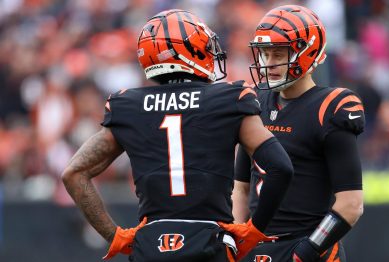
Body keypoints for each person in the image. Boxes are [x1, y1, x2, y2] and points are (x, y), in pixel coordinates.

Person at [62, 9, 293, 262]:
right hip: (210, 244)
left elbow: (74, 173)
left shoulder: (128, 105)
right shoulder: (229, 99)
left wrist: (114, 236)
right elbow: (280, 167)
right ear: (187, 51)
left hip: (150, 246)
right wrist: (255, 229)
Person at [232, 5, 365, 262]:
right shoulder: (254, 101)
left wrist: (307, 251)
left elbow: (351, 204)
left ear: (308, 53)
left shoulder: (331, 107)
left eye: (278, 54)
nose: (268, 64)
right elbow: (241, 188)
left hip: (308, 247)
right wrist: (238, 240)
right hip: (256, 248)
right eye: (265, 54)